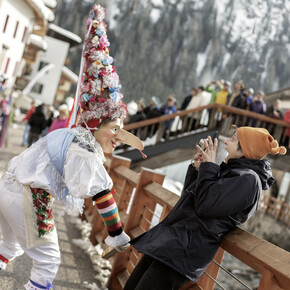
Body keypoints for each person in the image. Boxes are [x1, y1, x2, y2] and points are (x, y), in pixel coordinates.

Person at [0, 5, 144, 289]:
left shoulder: (71, 135)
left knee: (9, 247)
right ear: (95, 126)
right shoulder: (85, 150)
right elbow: (98, 192)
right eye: (114, 130)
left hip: (7, 187)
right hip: (29, 197)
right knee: (49, 261)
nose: (119, 136)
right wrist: (116, 234)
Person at [124, 127, 286, 290]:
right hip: (173, 242)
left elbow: (205, 207)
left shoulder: (248, 181)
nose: (227, 141)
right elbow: (191, 201)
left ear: (245, 150)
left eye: (234, 139)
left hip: (183, 252)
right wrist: (198, 170)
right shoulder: (231, 171)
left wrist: (209, 166)